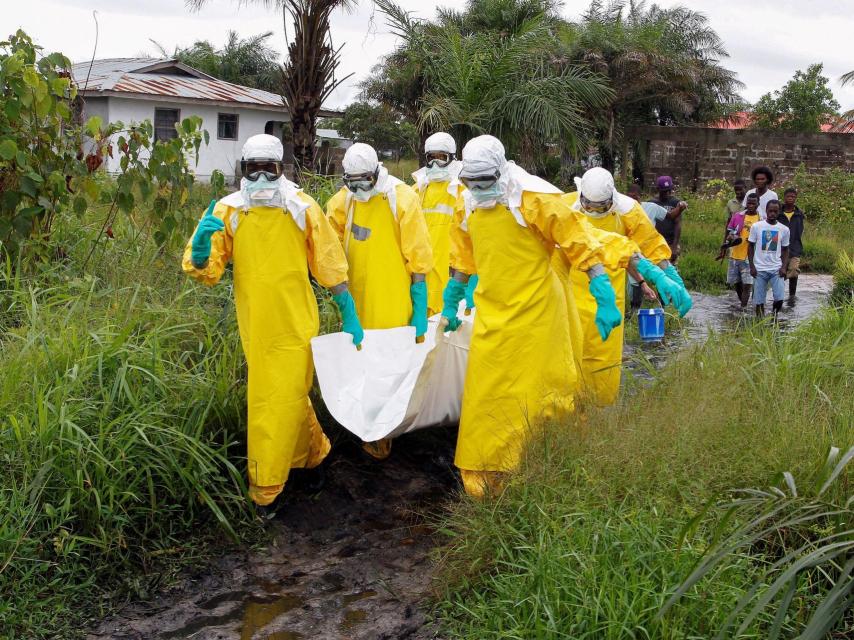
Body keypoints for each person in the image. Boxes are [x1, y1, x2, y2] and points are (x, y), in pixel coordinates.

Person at [182, 134, 364, 513]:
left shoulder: (301, 207)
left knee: (273, 399)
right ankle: (315, 457)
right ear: (243, 170)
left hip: (297, 321)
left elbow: (328, 261)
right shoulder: (228, 210)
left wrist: (347, 308)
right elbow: (208, 269)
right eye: (254, 169)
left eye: (270, 168)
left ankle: (266, 486)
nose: (262, 177)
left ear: (282, 169)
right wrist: (201, 254)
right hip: (256, 323)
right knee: (289, 396)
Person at [438, 136, 622, 497]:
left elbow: (579, 242)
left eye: (484, 181)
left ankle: (543, 461)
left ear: (501, 171)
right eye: (470, 182)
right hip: (493, 311)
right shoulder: (466, 204)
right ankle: (485, 469)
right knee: (487, 393)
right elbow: (463, 257)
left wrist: (603, 294)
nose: (478, 189)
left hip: (539, 313)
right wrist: (452, 297)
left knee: (540, 392)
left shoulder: (533, 200)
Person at [326, 142, 433, 460]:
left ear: (377, 173)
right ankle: (363, 425)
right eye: (352, 182)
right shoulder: (344, 201)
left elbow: (419, 258)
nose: (359, 189)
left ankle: (384, 432)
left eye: (365, 181)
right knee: (359, 365)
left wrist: (419, 304)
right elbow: (327, 241)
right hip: (356, 300)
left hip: (392, 300)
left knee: (389, 367)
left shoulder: (401, 198)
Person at [563, 168, 692, 406]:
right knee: (568, 356)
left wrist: (671, 275)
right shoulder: (565, 207)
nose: (594, 212)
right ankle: (569, 413)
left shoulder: (628, 211)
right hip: (570, 293)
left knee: (603, 360)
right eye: (589, 207)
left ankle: (597, 410)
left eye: (600, 208)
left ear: (611, 199)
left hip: (610, 295)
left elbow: (650, 243)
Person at [410, 132, 478, 315]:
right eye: (431, 158)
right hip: (423, 273)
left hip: (454, 273)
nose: (435, 163)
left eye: (442, 158)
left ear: (452, 158)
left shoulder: (463, 191)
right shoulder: (417, 190)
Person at [626, 183, 667, 314]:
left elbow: (670, 217)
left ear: (640, 197)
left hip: (649, 251)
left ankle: (663, 308)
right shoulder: (623, 210)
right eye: (629, 197)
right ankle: (634, 309)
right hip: (631, 253)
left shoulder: (651, 208)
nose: (632, 200)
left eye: (635, 197)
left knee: (658, 277)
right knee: (635, 281)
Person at [748, 200, 790, 317]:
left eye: (775, 211)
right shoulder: (756, 226)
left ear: (779, 212)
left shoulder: (784, 229)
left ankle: (774, 317)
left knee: (780, 299)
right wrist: (752, 266)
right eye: (770, 211)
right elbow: (750, 246)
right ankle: (760, 323)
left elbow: (786, 249)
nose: (772, 213)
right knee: (759, 301)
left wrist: (784, 267)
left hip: (776, 269)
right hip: (759, 269)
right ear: (766, 211)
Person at [723, 193, 761, 309]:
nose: (750, 205)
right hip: (735, 254)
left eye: (753, 203)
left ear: (758, 204)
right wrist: (731, 238)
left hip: (750, 257)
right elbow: (730, 232)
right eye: (749, 203)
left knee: (747, 284)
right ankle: (742, 304)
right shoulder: (737, 216)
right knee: (736, 283)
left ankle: (743, 308)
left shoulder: (761, 220)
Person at [649, 176, 688, 263]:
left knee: (671, 271)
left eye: (669, 190)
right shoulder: (651, 203)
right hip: (655, 245)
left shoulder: (675, 202)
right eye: (664, 191)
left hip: (670, 243)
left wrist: (674, 246)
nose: (667, 193)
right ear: (658, 189)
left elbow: (678, 224)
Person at [778, 187, 805, 304]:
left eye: (793, 197)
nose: (790, 198)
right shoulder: (778, 213)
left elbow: (800, 231)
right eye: (788, 196)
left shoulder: (799, 214)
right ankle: (779, 295)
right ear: (784, 198)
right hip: (780, 249)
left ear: (796, 198)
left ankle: (792, 296)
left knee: (794, 271)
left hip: (795, 248)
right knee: (780, 272)